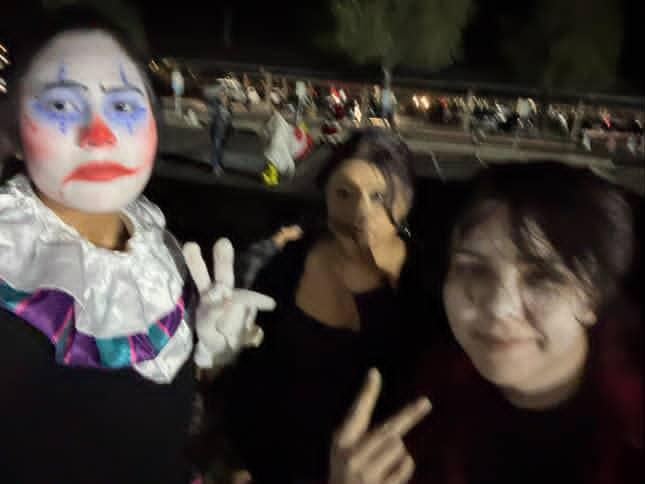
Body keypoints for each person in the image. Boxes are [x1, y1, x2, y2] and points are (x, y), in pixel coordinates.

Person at [0, 8, 272, 484]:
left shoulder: (158, 247)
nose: (99, 136)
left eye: (124, 107)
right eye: (61, 105)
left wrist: (206, 349)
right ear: (14, 135)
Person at [333, 162, 642, 484]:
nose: (498, 308)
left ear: (593, 298)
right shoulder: (417, 390)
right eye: (474, 270)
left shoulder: (631, 434)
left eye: (542, 278)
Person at [214, 128, 437, 483]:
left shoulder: (430, 285)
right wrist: (237, 461)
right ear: (326, 195)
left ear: (406, 200)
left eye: (379, 197)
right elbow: (253, 375)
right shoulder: (287, 265)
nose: (360, 213)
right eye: (344, 193)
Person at [208, 88, 232, 175]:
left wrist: (229, 130)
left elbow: (229, 120)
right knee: (216, 149)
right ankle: (215, 167)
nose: (224, 99)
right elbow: (213, 118)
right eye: (222, 97)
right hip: (217, 131)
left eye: (225, 97)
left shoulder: (229, 108)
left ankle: (219, 165)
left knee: (220, 150)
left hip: (224, 132)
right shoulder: (217, 106)